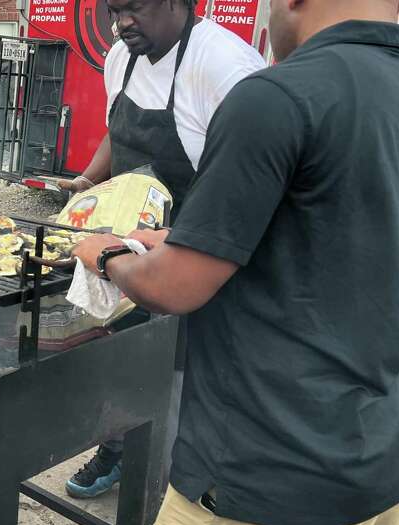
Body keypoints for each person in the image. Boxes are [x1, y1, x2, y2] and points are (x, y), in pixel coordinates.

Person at [69, 0, 399, 525]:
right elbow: (327, 229)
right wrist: (184, 237)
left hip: (265, 471)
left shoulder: (275, 95)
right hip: (378, 463)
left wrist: (106, 256)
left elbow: (172, 287)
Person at [56, 0, 265, 499]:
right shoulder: (118, 58)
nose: (121, 22)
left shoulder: (225, 68)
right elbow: (117, 128)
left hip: (198, 247)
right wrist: (87, 181)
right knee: (117, 348)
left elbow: (252, 181)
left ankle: (182, 475)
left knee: (186, 367)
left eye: (136, 8)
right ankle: (118, 452)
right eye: (114, 9)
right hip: (128, 241)